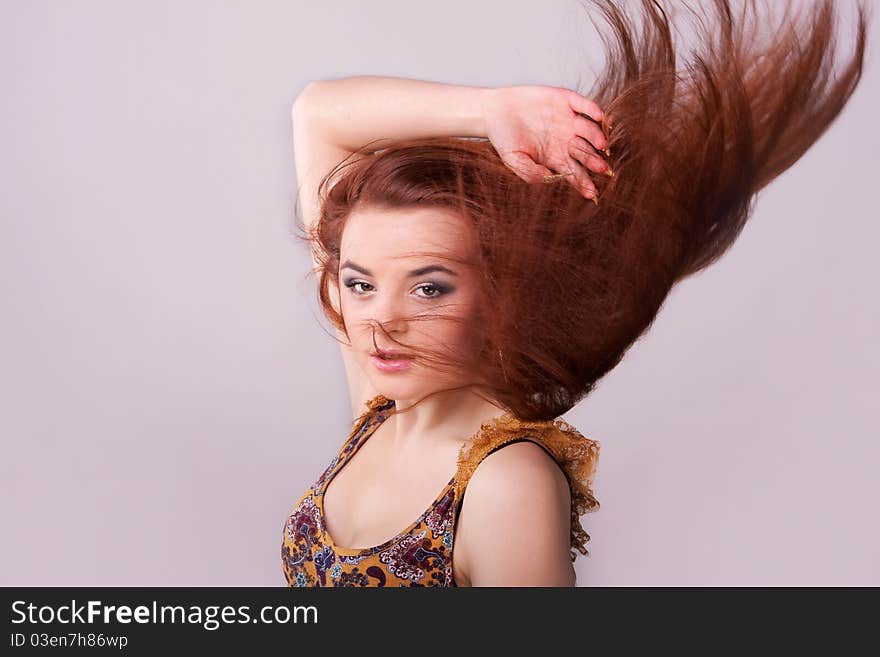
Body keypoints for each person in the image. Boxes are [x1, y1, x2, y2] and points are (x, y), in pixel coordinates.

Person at [281, 0, 868, 587]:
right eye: (360, 284)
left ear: (500, 295)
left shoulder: (504, 481)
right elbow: (317, 115)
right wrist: (491, 110)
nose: (382, 321)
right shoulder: (381, 410)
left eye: (430, 289)